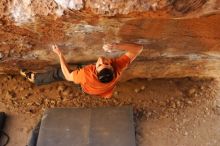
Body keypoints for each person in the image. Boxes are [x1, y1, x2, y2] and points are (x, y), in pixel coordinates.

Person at [20, 43, 143, 98]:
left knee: (58, 73)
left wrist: (59, 54)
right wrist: (117, 46)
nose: (101, 60)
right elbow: (138, 49)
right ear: (112, 68)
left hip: (87, 87)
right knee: (78, 69)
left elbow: (68, 76)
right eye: (106, 63)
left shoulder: (86, 74)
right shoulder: (118, 67)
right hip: (102, 90)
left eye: (100, 65)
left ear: (95, 70)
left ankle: (35, 78)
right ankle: (78, 68)